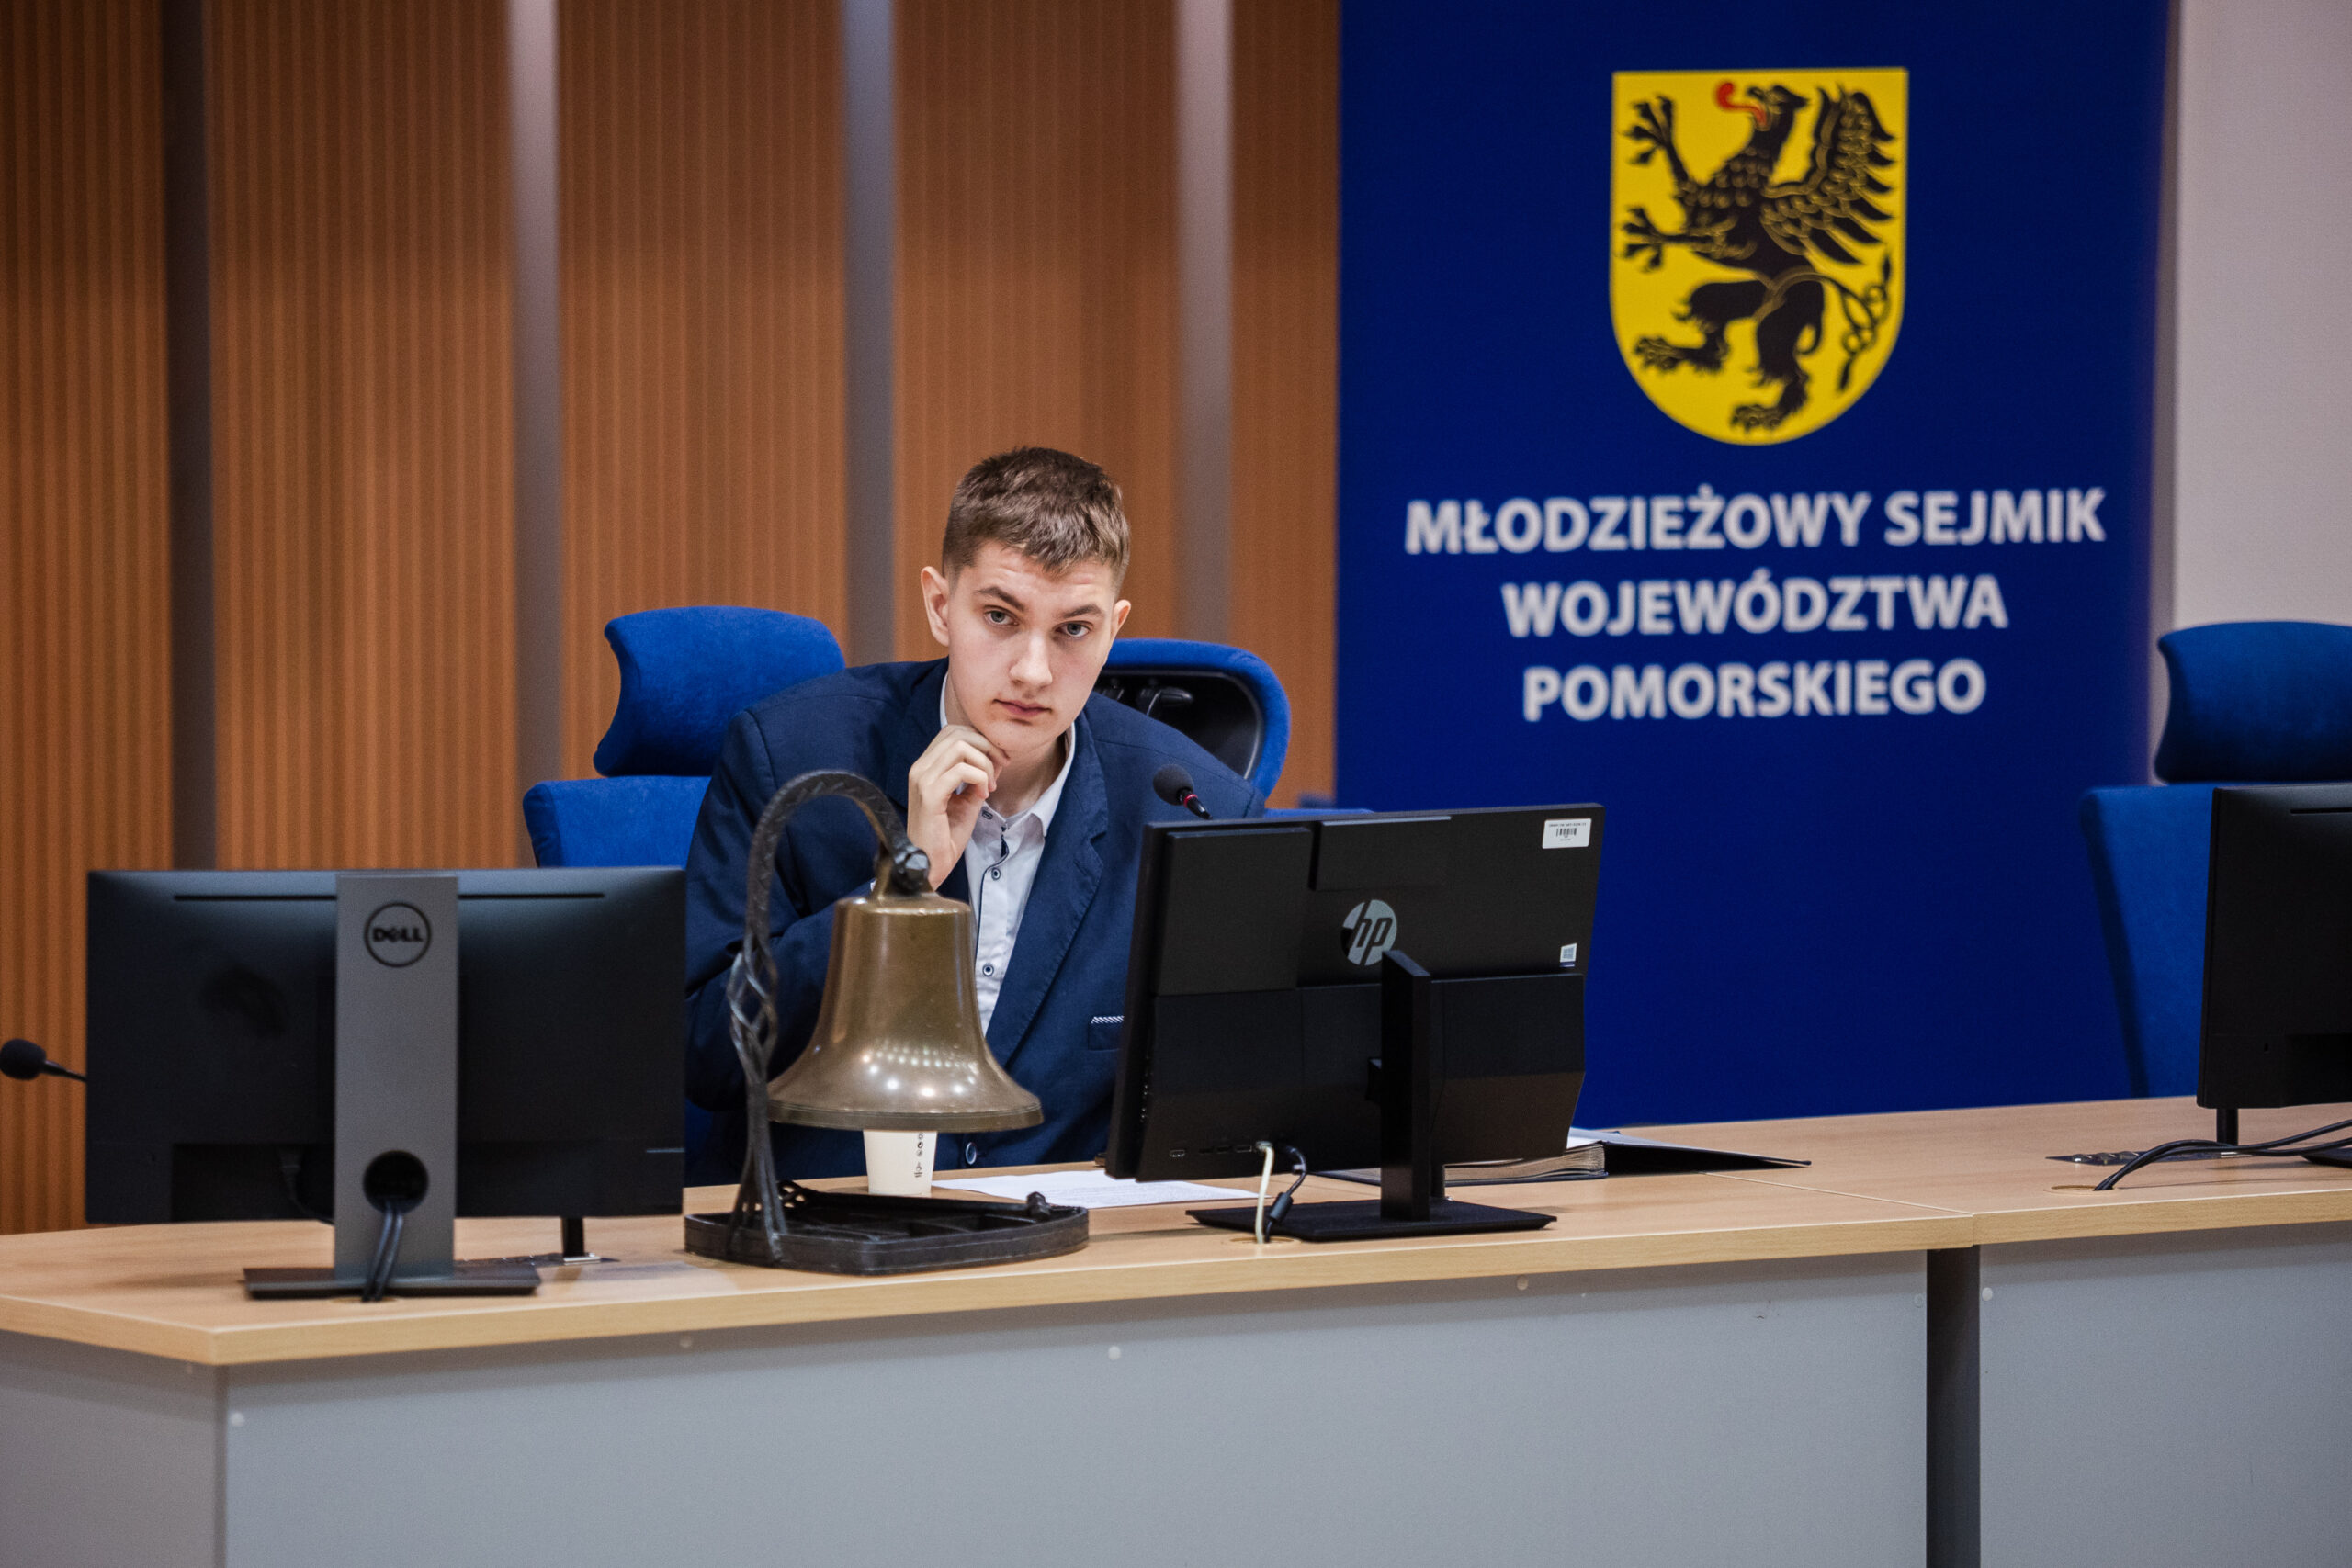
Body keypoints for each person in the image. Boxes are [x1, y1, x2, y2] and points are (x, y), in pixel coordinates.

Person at [682, 446, 1263, 1180]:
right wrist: (899, 887)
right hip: (830, 1220)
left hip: (1063, 1236)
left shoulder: (1192, 809)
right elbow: (705, 1050)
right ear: (939, 605)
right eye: (999, 616)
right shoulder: (789, 761)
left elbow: (1237, 1102)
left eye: (1073, 629)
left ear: (1113, 629)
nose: (1033, 671)